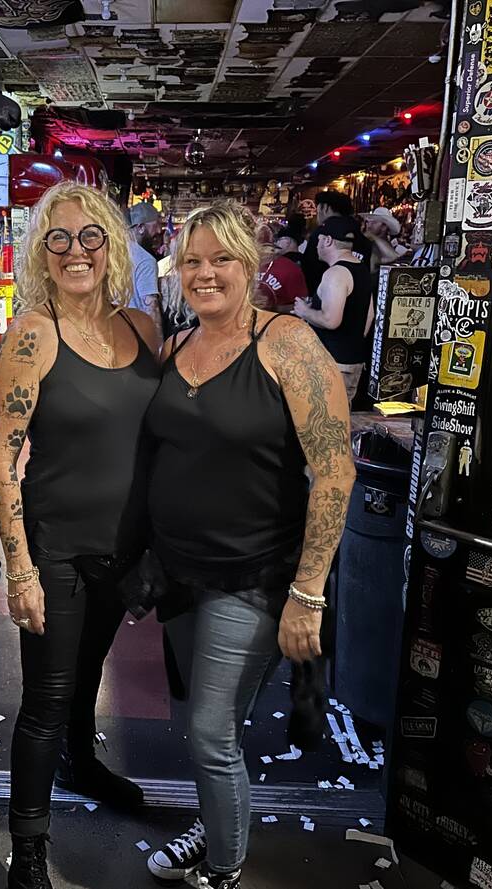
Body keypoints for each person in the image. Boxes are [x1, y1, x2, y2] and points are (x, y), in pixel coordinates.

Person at [144, 200, 355, 889]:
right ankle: (215, 823)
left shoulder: (287, 341)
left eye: (221, 259)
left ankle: (224, 868)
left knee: (210, 732)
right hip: (179, 571)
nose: (204, 274)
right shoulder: (175, 346)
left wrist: (308, 593)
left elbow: (335, 471)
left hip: (254, 575)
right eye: (191, 261)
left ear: (253, 264)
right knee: (212, 724)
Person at [0, 182, 161, 889]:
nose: (75, 250)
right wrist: (19, 569)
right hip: (55, 544)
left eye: (91, 236)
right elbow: (0, 457)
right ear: (42, 251)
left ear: (112, 247)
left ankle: (81, 763)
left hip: (123, 549)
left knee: (88, 675)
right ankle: (27, 852)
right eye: (58, 238)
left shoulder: (142, 327)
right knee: (46, 699)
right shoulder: (34, 332)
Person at [292, 215, 375, 404]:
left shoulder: (335, 273)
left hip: (331, 363)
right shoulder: (361, 270)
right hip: (351, 361)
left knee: (322, 416)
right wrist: (350, 341)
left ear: (328, 240)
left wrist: (304, 311)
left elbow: (331, 320)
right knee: (340, 415)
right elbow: (369, 315)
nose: (316, 245)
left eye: (319, 240)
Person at [127, 202, 164, 339]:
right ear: (141, 228)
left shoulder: (113, 253)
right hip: (137, 337)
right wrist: (158, 345)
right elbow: (151, 308)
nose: (159, 231)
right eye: (156, 225)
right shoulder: (145, 260)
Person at [254, 223, 307, 313]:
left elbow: (302, 306)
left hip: (276, 319)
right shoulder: (243, 265)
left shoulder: (289, 268)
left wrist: (272, 308)